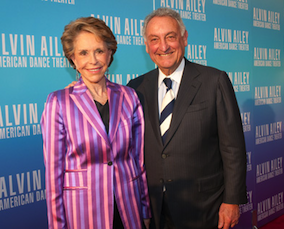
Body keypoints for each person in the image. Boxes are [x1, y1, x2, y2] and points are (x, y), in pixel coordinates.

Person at [127, 8, 247, 229]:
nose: (163, 46)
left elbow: (233, 148)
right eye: (154, 39)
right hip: (154, 209)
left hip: (204, 207)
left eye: (170, 37)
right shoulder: (135, 89)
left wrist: (232, 200)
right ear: (146, 46)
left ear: (184, 38)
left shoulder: (214, 81)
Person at [41, 17, 151, 229]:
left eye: (99, 51)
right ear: (72, 58)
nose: (93, 60)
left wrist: (144, 208)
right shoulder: (59, 102)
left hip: (128, 209)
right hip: (83, 214)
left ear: (110, 54)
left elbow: (138, 161)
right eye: (83, 53)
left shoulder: (129, 97)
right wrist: (57, 225)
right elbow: (53, 176)